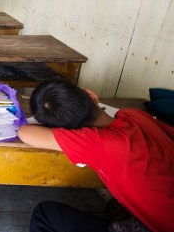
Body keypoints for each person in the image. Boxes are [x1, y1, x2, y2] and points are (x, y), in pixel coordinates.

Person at [17, 78, 174, 232]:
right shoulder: (133, 115)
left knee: (44, 215)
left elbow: (25, 132)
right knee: (115, 207)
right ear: (92, 96)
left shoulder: (97, 143)